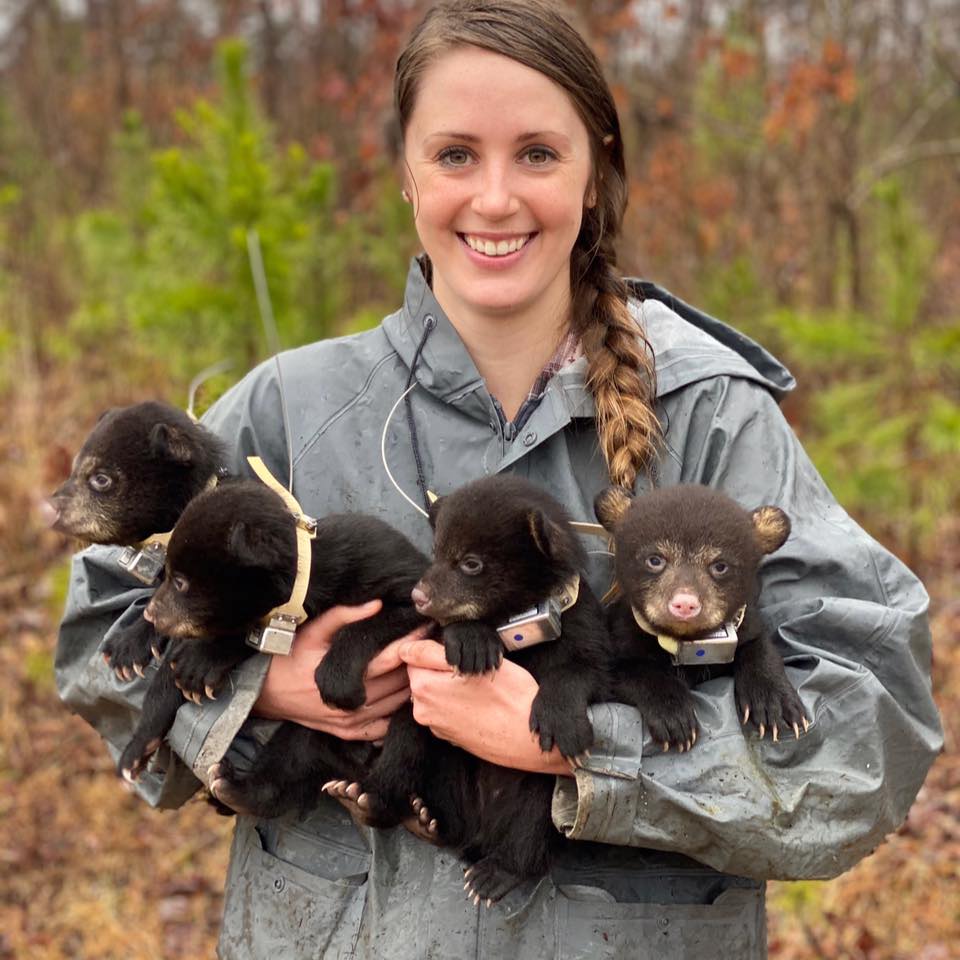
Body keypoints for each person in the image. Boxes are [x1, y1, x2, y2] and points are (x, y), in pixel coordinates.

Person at [56, 2, 942, 957]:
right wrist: (266, 689)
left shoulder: (709, 416)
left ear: (596, 168)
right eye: (454, 155)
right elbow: (99, 634)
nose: (494, 199)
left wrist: (586, 747)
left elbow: (872, 730)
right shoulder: (291, 411)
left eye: (537, 154)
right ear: (406, 171)